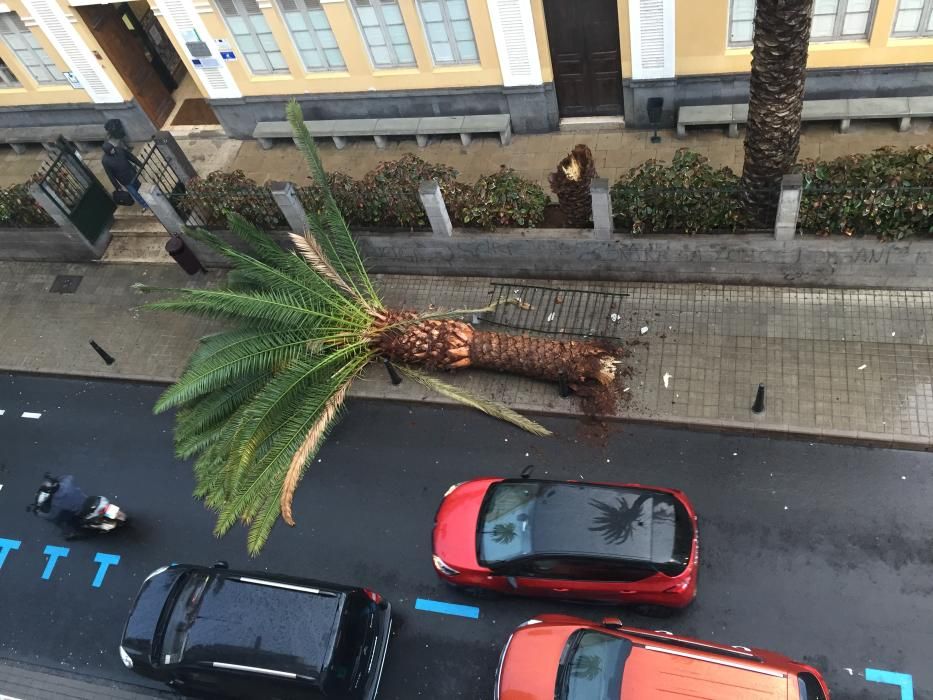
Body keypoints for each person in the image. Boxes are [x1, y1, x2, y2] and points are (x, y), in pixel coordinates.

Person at [101, 141, 148, 210]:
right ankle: (144, 204)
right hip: (124, 179)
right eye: (111, 150)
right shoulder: (105, 161)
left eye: (112, 148)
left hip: (132, 173)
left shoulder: (119, 150)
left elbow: (130, 156)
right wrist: (117, 186)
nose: (113, 150)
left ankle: (147, 199)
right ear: (107, 152)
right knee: (135, 193)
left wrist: (140, 164)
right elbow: (110, 174)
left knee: (139, 187)